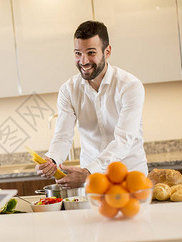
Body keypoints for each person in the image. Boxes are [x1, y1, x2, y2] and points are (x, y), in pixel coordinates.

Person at [36, 20, 148, 188]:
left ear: (107, 51)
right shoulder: (68, 90)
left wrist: (89, 172)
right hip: (92, 182)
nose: (83, 61)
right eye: (77, 53)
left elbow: (123, 140)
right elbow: (63, 136)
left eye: (91, 53)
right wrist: (52, 159)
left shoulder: (130, 86)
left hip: (130, 178)